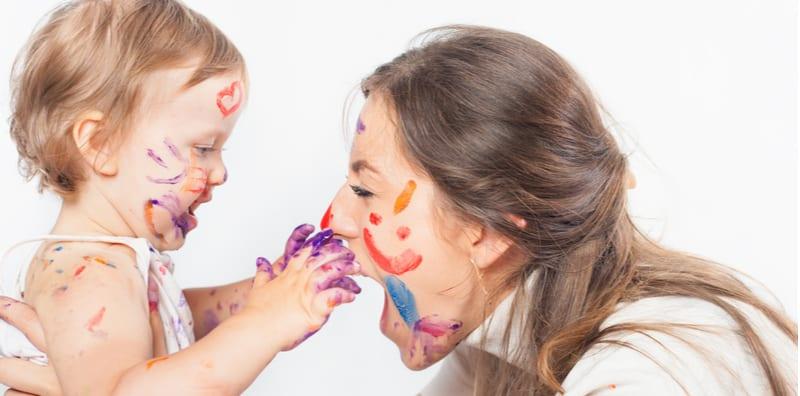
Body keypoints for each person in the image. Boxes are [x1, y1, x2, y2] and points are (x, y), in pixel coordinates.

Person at [0, 1, 361, 394]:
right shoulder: (91, 276)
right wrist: (264, 323)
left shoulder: (115, 264)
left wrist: (263, 294)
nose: (220, 173)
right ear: (100, 145)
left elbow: (176, 318)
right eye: (204, 148)